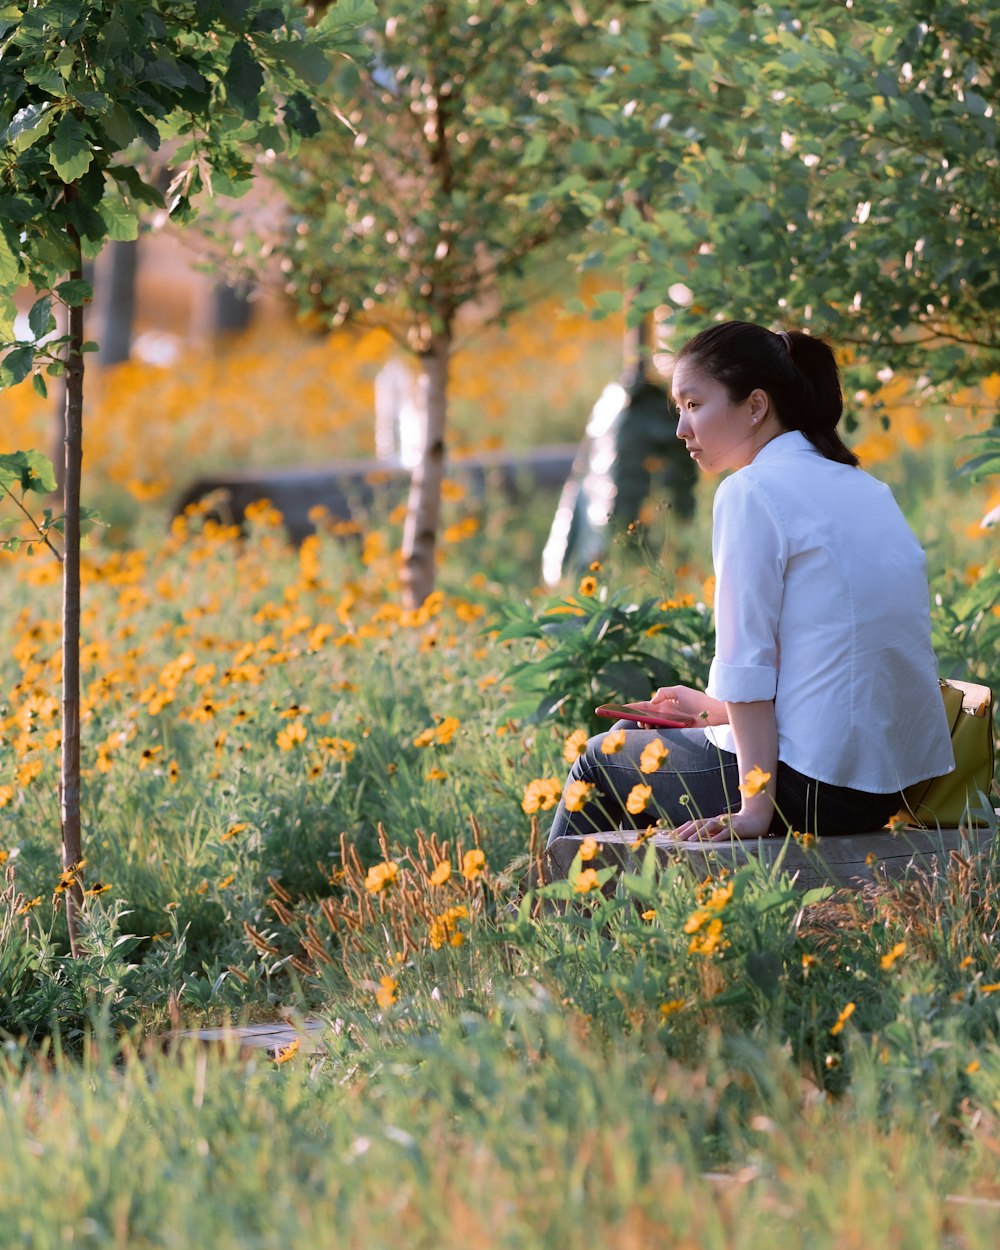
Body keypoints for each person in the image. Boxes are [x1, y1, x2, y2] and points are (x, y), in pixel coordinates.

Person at [545, 321, 955, 846]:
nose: (680, 430)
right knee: (631, 738)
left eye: (694, 405)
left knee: (598, 761)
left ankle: (548, 920)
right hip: (898, 783)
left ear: (756, 406)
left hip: (818, 788)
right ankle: (641, 920)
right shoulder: (866, 488)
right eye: (678, 410)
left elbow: (750, 663)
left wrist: (752, 811)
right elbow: (834, 661)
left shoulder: (751, 492)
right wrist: (713, 713)